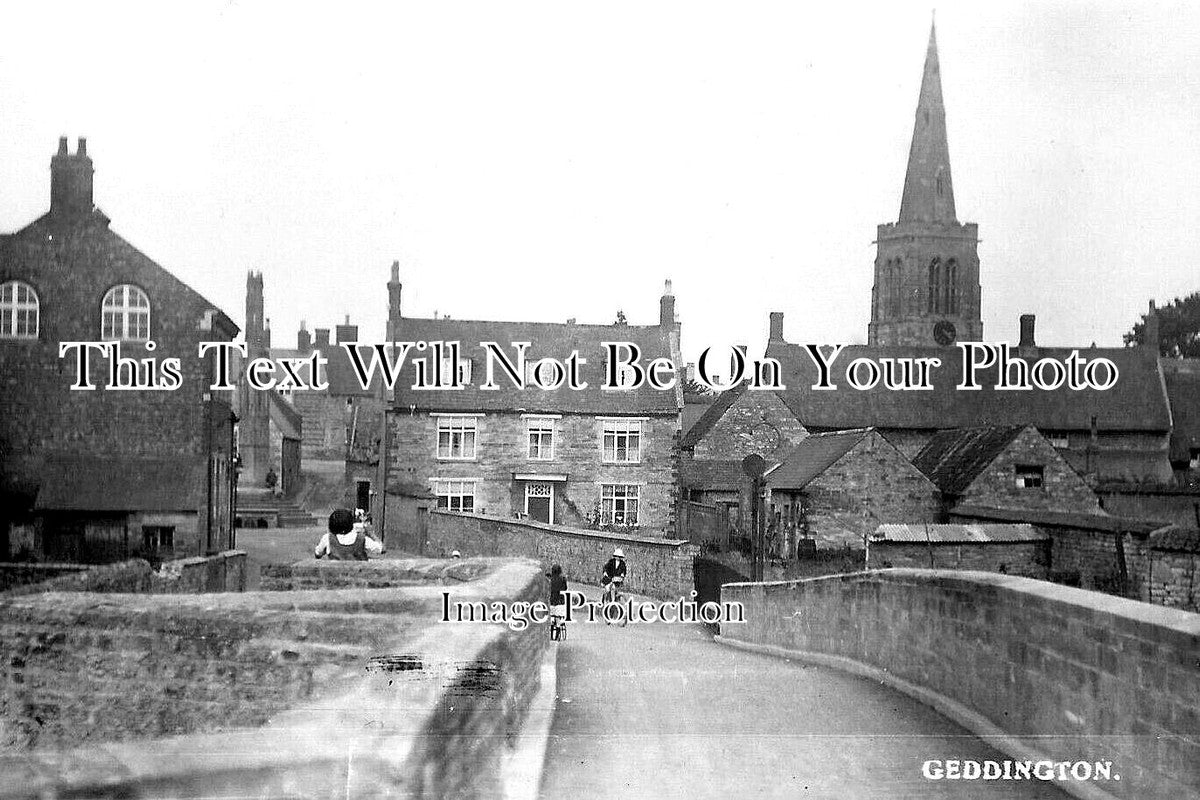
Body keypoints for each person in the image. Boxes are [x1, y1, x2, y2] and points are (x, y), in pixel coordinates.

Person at [314, 508, 382, 561]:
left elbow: (318, 554)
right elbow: (382, 549)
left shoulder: (327, 538)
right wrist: (370, 533)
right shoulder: (361, 538)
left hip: (336, 576)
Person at [546, 564, 567, 639]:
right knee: (558, 617)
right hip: (560, 602)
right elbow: (565, 589)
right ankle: (557, 633)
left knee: (552, 616)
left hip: (552, 601)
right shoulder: (562, 579)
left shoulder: (550, 579)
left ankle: (551, 634)